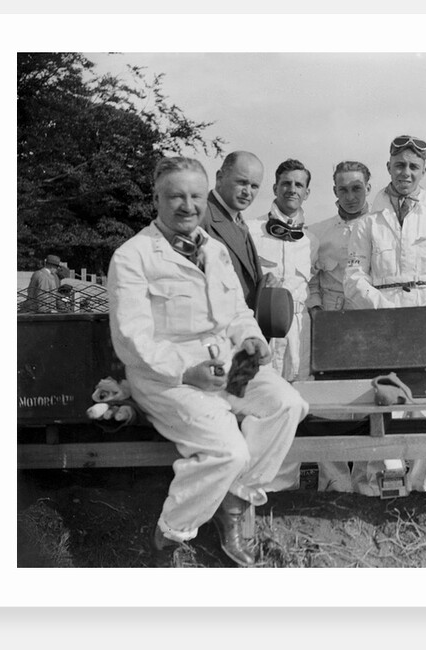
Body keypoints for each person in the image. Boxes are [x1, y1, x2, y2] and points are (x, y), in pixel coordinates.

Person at [107, 156, 308, 567]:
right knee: (229, 451)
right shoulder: (133, 256)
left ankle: (232, 503)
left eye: (196, 197)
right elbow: (131, 339)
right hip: (166, 378)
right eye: (176, 196)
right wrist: (186, 371)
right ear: (156, 198)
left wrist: (251, 338)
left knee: (287, 404)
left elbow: (236, 311)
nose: (188, 206)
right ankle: (171, 536)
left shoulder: (214, 251)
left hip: (225, 366)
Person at [344, 135, 426, 496]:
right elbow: (353, 277)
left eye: (414, 166)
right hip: (383, 328)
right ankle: (379, 495)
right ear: (388, 167)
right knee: (384, 408)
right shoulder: (367, 225)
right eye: (400, 165)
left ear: (424, 171)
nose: (406, 172)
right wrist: (386, 312)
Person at [249, 158, 318, 493]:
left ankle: (288, 487)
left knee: (295, 401)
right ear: (275, 187)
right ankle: (260, 483)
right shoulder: (251, 231)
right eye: (286, 183)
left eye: (298, 184)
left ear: (307, 192)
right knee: (263, 402)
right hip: (262, 327)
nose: (292, 189)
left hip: (298, 331)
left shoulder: (312, 240)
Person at [305, 160, 373, 492]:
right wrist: (318, 310)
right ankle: (334, 484)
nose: (350, 196)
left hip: (370, 323)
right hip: (330, 321)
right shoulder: (317, 232)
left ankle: (367, 482)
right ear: (334, 191)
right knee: (329, 405)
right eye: (343, 189)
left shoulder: (379, 227)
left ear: (368, 189)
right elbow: (311, 279)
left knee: (368, 401)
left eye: (356, 188)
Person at [201, 151, 265, 309]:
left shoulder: (239, 222)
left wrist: (265, 282)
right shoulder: (198, 217)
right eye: (242, 182)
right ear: (220, 178)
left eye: (254, 186)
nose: (247, 192)